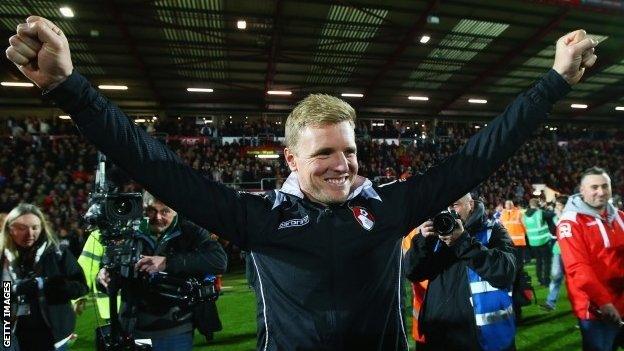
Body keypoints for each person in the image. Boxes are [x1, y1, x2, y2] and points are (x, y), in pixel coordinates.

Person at [6, 17, 598, 350]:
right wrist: (69, 88)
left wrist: (554, 81)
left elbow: (478, 156)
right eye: (324, 153)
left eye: (350, 150)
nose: (342, 164)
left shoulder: (390, 207)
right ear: (290, 157)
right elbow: (157, 164)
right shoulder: (257, 217)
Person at [96, 192, 228, 351]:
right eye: (151, 210)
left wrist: (167, 263)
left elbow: (219, 261)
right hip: (135, 328)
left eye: (165, 211)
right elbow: (112, 270)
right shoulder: (129, 232)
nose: (158, 217)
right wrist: (103, 276)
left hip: (177, 328)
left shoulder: (190, 230)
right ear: (142, 208)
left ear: (176, 210)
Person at [404, 194, 517, 350]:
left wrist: (462, 242)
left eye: (454, 205)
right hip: (438, 335)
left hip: (482, 339)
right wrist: (421, 240)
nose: (448, 211)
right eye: (443, 206)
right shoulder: (434, 236)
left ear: (470, 204)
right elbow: (411, 272)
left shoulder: (493, 230)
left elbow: (506, 272)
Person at [0, 203, 88, 350]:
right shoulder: (3, 257)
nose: (30, 234)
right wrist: (13, 290)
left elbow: (82, 287)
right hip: (12, 338)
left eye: (35, 227)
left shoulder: (58, 252)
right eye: (22, 228)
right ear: (10, 229)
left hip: (54, 339)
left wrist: (52, 286)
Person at [558, 167, 624, 351]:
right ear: (582, 190)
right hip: (597, 311)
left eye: (605, 186)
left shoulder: (620, 217)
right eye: (594, 187)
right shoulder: (570, 223)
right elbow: (578, 268)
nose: (601, 192)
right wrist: (604, 302)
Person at [540, 195, 568, 311]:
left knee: (576, 281)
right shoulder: (556, 217)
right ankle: (550, 303)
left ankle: (586, 311)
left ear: (564, 206)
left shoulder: (569, 217)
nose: (555, 207)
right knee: (556, 276)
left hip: (570, 252)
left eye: (558, 205)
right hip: (558, 250)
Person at [522, 198, 555, 286]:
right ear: (538, 204)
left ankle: (540, 279)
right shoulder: (540, 213)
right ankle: (546, 280)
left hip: (533, 242)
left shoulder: (524, 215)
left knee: (538, 261)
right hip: (543, 241)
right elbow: (552, 215)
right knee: (547, 261)